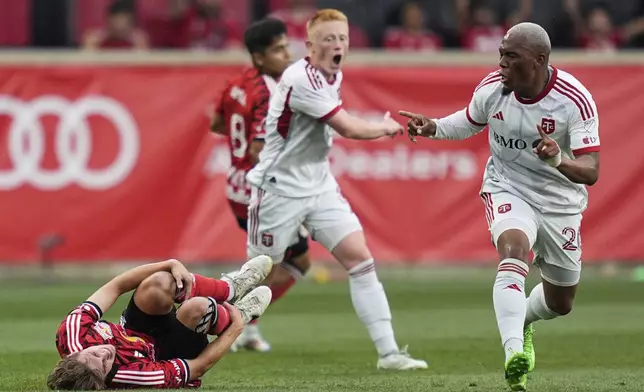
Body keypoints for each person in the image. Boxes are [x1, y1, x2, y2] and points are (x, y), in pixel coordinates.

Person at [399, 22, 600, 390]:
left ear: (538, 60)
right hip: (507, 186)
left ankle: (522, 321)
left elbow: (591, 170)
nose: (501, 63)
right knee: (513, 249)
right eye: (501, 54)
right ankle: (512, 355)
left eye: (511, 56)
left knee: (561, 302)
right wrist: (433, 127)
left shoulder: (573, 99)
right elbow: (470, 121)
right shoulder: (493, 87)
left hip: (560, 202)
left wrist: (558, 161)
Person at [245, 8, 427, 370]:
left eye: (342, 38)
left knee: (359, 258)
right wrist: (385, 127)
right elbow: (349, 129)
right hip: (278, 189)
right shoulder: (301, 79)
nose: (337, 45)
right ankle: (194, 331)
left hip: (318, 184)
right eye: (328, 39)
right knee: (257, 273)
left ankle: (389, 353)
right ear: (310, 46)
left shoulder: (332, 73)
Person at [210, 18, 312, 352]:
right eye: (279, 49)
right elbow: (257, 152)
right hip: (261, 193)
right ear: (259, 57)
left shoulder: (236, 83)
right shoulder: (271, 91)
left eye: (287, 46)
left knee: (276, 262)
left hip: (235, 188)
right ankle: (233, 319)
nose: (288, 54)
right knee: (293, 263)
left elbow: (217, 123)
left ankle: (242, 323)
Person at [46, 256, 273, 390]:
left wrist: (170, 263)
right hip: (164, 354)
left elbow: (115, 286)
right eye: (104, 364)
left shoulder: (73, 331)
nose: (105, 353)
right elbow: (198, 367)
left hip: (133, 330)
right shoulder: (133, 376)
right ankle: (241, 313)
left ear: (72, 354)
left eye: (93, 354)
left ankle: (229, 288)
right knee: (197, 308)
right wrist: (236, 329)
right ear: (105, 379)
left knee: (158, 282)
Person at [82, 0, 149, 50]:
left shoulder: (139, 40)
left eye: (124, 23)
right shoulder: (94, 39)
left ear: (131, 23)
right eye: (116, 22)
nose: (119, 27)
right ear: (109, 20)